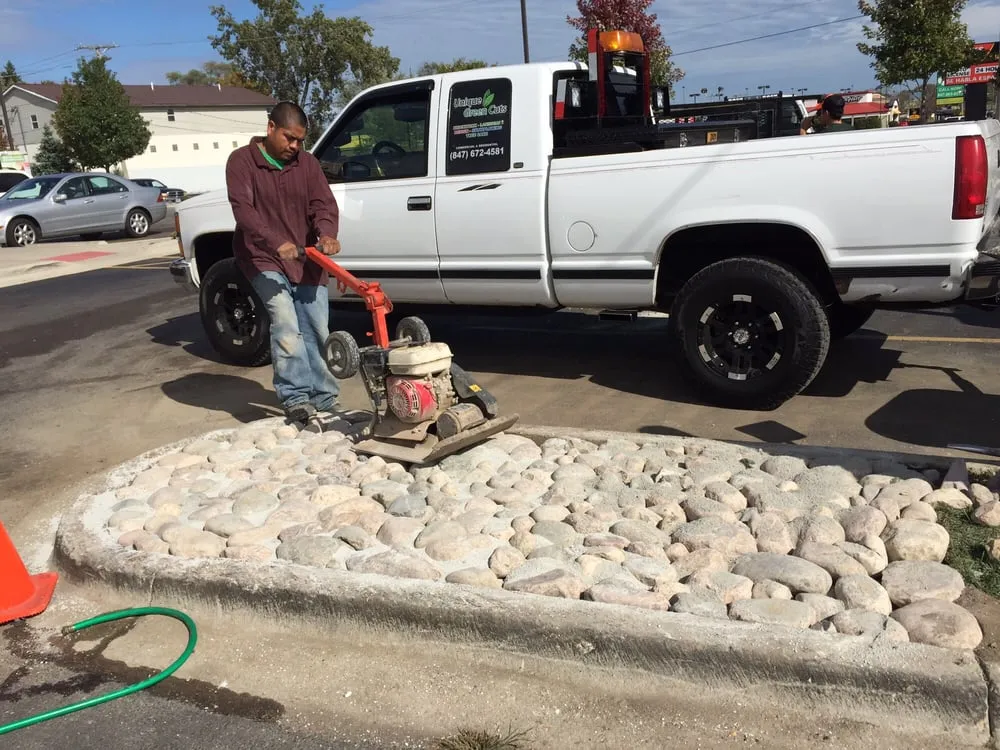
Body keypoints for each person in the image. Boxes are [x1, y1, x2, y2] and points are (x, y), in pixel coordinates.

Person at [225, 100, 343, 433]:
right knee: (287, 323)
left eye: (300, 140)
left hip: (306, 259)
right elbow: (244, 212)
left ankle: (325, 398)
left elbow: (323, 204)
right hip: (261, 257)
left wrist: (328, 234)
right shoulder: (242, 162)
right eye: (289, 138)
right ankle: (296, 398)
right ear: (270, 128)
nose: (295, 146)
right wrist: (276, 241)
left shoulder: (307, 165)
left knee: (317, 328)